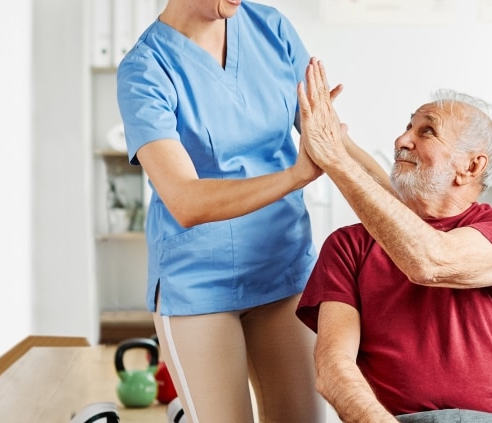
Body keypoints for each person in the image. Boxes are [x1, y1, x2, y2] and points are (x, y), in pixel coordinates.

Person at [114, 2, 385, 422]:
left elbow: (335, 144)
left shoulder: (270, 28)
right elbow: (185, 200)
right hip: (197, 284)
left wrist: (410, 211)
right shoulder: (145, 69)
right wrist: (296, 175)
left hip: (283, 267)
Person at [294, 58, 492, 423]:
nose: (402, 140)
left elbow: (430, 261)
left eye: (427, 131)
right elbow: (333, 367)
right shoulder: (349, 246)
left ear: (472, 167)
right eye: (407, 127)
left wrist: (336, 156)